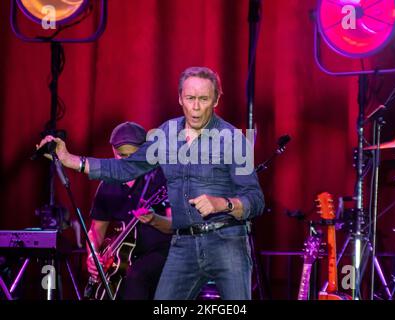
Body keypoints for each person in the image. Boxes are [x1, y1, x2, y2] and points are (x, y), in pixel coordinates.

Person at [37, 66, 265, 300]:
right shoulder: (166, 134)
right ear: (179, 98)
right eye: (190, 98)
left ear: (216, 99)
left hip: (226, 242)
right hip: (183, 244)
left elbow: (256, 200)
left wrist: (223, 204)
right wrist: (69, 159)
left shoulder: (234, 140)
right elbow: (126, 168)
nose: (196, 107)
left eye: (204, 99)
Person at [85, 121, 172, 300]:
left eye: (132, 156)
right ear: (113, 152)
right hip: (122, 260)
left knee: (135, 277)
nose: (126, 162)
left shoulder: (160, 177)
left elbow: (176, 225)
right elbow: (95, 231)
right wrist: (92, 255)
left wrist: (154, 219)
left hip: (161, 254)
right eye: (121, 156)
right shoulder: (107, 184)